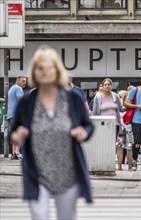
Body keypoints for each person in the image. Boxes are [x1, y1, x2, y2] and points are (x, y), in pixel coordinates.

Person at [10, 46, 94, 219]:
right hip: (37, 171)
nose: (45, 72)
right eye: (40, 68)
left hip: (68, 171)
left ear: (57, 70)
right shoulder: (27, 101)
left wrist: (83, 132)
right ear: (34, 71)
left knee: (66, 216)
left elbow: (88, 125)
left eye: (50, 68)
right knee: (39, 216)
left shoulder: (73, 98)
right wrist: (19, 135)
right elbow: (14, 130)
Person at [92, 78, 126, 170]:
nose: (107, 86)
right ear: (103, 86)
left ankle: (112, 165)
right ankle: (103, 164)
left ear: (112, 86)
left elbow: (121, 108)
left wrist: (128, 105)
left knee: (112, 144)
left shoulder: (115, 96)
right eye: (105, 84)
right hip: (102, 125)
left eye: (109, 84)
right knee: (102, 144)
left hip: (115, 124)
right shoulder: (98, 97)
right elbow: (94, 112)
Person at [7, 76, 27, 160]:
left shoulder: (12, 88)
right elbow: (20, 100)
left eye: (25, 81)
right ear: (17, 80)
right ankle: (17, 153)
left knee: (14, 133)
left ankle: (14, 153)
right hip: (17, 115)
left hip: (10, 114)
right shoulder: (18, 88)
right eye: (23, 81)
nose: (24, 83)